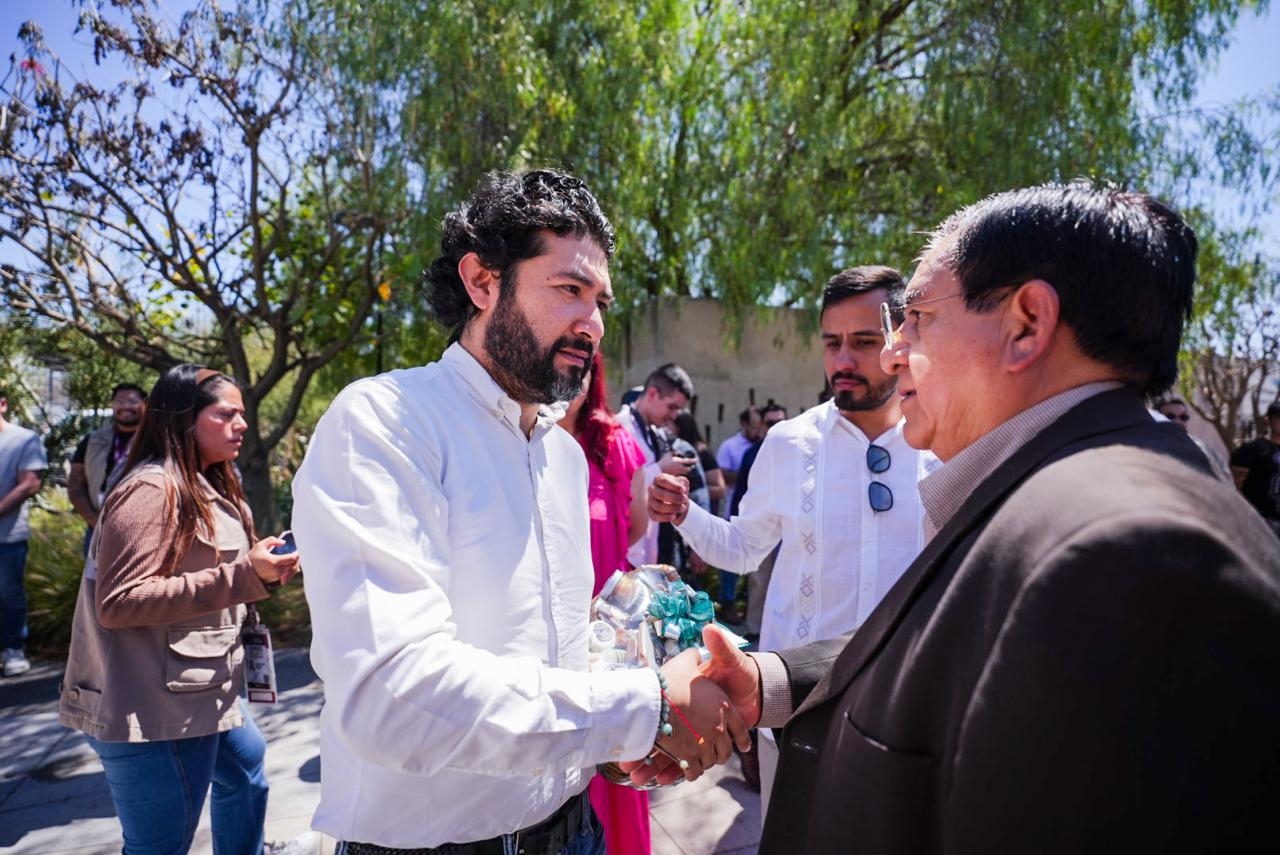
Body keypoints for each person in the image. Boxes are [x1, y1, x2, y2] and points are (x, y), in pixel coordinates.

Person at [641, 182, 1280, 853]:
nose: (890, 353)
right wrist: (767, 682)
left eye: (916, 318)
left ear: (1026, 324)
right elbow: (940, 642)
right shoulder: (1043, 493)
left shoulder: (1128, 553)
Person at [291, 170, 746, 854]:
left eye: (600, 301)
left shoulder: (562, 456)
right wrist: (645, 706)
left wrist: (630, 706)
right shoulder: (385, 423)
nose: (593, 323)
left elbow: (553, 649)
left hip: (576, 829)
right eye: (569, 289)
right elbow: (392, 695)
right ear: (482, 282)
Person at [649, 266, 936, 818]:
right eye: (831, 343)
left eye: (863, 342)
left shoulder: (942, 440)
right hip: (796, 711)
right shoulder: (790, 443)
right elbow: (742, 550)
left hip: (905, 715)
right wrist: (684, 513)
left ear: (900, 339)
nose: (842, 360)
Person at [58, 365, 311, 855]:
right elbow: (119, 602)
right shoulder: (151, 490)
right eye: (226, 414)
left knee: (246, 771)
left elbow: (207, 564)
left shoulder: (204, 481)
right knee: (160, 846)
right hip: (153, 709)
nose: (241, 424)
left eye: (241, 414)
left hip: (200, 687)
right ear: (182, 418)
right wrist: (244, 576)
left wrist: (260, 564)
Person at [560, 351, 651, 855]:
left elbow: (635, 527)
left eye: (582, 365)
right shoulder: (522, 441)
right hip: (546, 635)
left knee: (616, 765)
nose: (571, 377)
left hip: (611, 637)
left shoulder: (614, 442)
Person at [617, 363, 697, 567]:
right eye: (672, 407)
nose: (674, 416)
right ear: (652, 394)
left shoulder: (655, 433)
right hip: (626, 552)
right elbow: (617, 487)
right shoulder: (620, 428)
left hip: (650, 550)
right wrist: (660, 469)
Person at [68, 382, 147, 556]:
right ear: (112, 405)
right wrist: (95, 522)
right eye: (120, 402)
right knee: (95, 574)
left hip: (142, 532)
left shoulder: (155, 441)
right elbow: (75, 486)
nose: (125, 407)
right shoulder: (92, 441)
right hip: (96, 530)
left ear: (145, 404)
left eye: (132, 401)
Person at [0, 390, 47, 677]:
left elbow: (30, 484)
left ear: (3, 404)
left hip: (7, 536)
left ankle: (13, 648)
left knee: (8, 594)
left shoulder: (24, 439)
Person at [1230, 400, 1280, 535]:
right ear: (1268, 420)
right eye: (1279, 417)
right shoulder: (1251, 449)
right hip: (1256, 524)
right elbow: (1232, 486)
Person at [715, 406, 762, 508]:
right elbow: (721, 476)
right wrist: (747, 473)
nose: (758, 431)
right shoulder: (728, 446)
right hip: (736, 505)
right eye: (754, 427)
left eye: (760, 427)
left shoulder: (763, 446)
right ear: (744, 424)